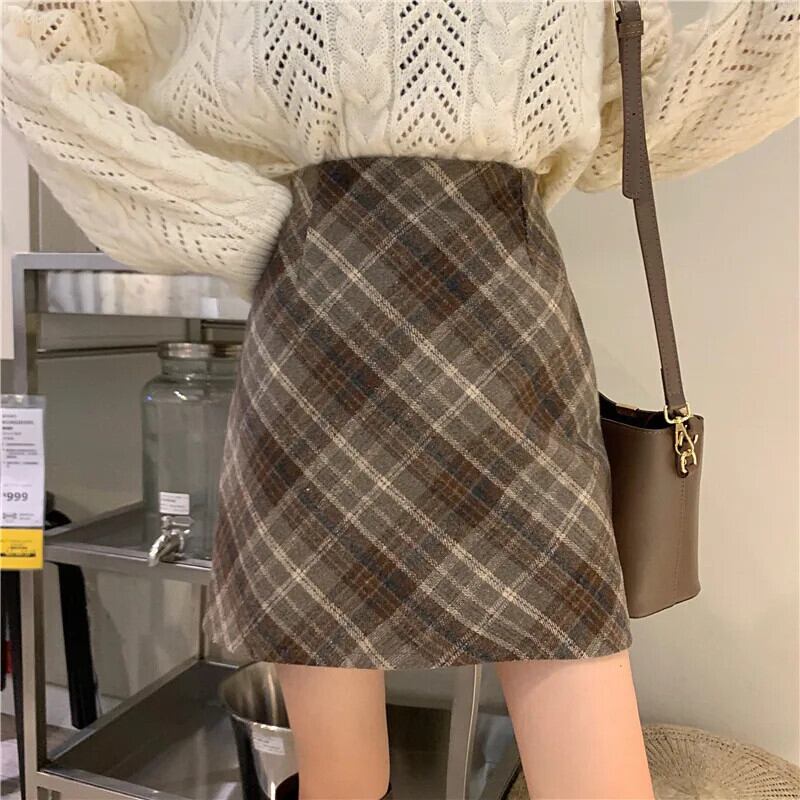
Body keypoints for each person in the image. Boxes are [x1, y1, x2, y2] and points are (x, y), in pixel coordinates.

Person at [3, 2, 797, 798]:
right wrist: (252, 231)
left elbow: (639, 114)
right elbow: (32, 42)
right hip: (321, 336)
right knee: (343, 777)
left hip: (509, 336)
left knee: (594, 763)